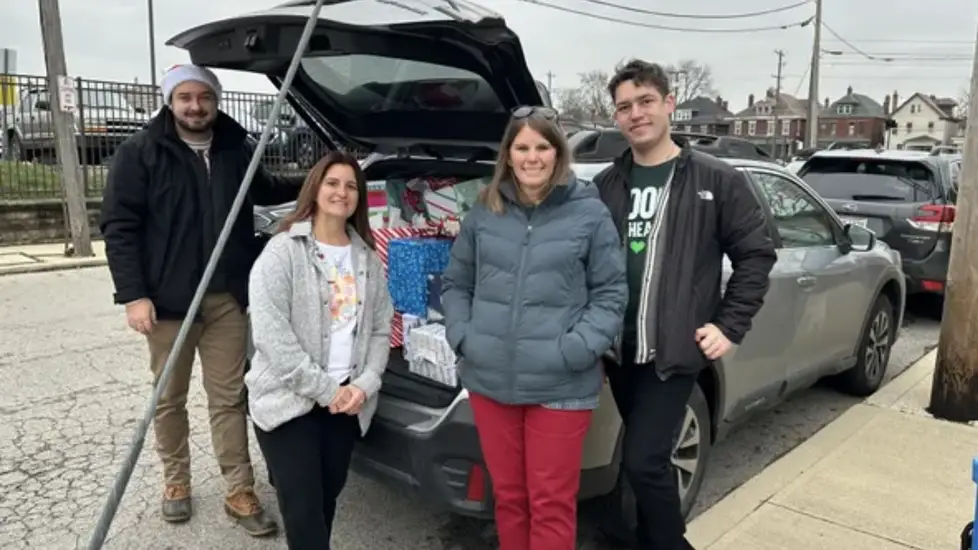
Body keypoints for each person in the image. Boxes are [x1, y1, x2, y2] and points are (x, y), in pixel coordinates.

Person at [100, 64, 298, 535]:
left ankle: (238, 488)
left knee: (229, 398)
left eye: (204, 97)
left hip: (227, 298)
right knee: (169, 397)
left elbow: (270, 190)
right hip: (168, 303)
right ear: (170, 102)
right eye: (185, 97)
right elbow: (119, 227)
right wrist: (134, 296)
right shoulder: (141, 152)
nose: (195, 106)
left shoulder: (236, 149)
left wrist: (328, 174)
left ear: (216, 100)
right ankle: (176, 482)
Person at [592, 59, 778, 550]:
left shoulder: (715, 181)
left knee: (644, 461)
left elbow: (755, 255)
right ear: (616, 116)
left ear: (669, 104)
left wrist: (730, 325)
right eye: (624, 107)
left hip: (673, 353)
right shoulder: (608, 186)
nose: (636, 114)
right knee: (642, 460)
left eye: (645, 101)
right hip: (619, 352)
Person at [441, 106, 628, 550]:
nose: (532, 157)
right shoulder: (485, 211)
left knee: (550, 503)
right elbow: (455, 283)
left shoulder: (588, 213)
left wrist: (575, 350)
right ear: (508, 154)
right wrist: (464, 337)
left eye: (542, 146)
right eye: (521, 147)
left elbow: (611, 294)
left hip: (561, 386)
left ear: (558, 152)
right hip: (491, 382)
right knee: (508, 498)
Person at [246, 151, 393, 550]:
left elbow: (380, 329)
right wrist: (329, 391)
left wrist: (364, 385)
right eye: (332, 183)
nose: (341, 192)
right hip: (289, 400)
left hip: (347, 403)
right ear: (315, 188)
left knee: (327, 498)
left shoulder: (367, 259)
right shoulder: (282, 252)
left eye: (350, 186)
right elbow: (274, 339)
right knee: (305, 509)